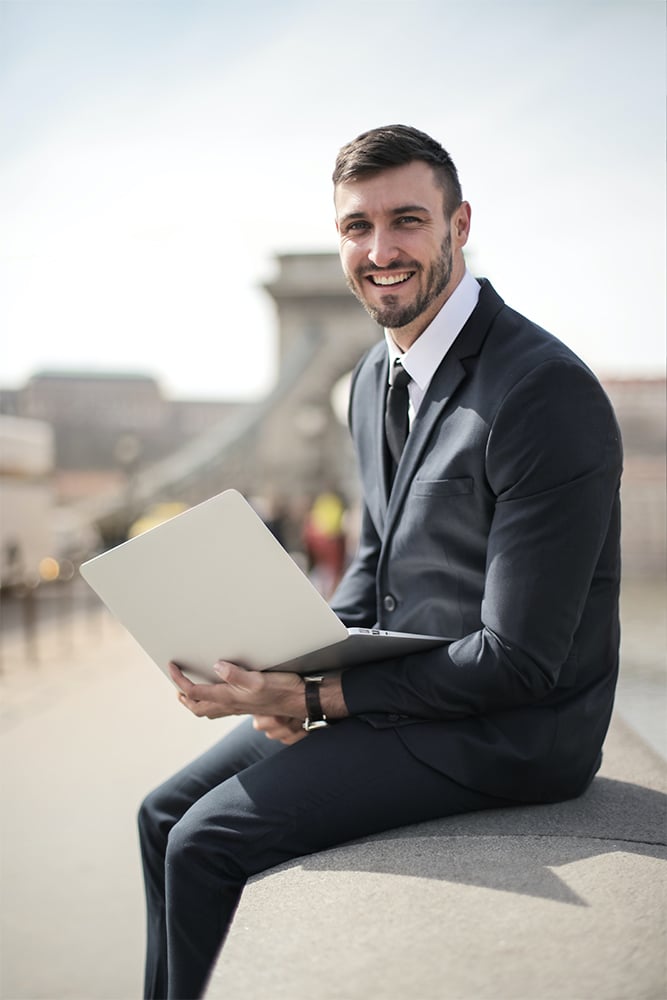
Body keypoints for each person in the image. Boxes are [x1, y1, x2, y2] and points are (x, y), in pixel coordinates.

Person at [138, 124, 622, 1000]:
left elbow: (519, 660)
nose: (379, 250)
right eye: (356, 227)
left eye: (406, 220)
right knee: (161, 814)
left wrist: (319, 698)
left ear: (459, 225)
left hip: (511, 734)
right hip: (407, 700)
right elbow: (373, 564)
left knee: (204, 842)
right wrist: (273, 674)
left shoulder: (541, 392)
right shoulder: (370, 377)